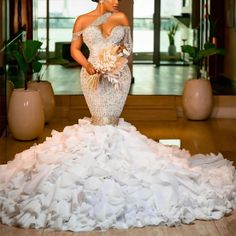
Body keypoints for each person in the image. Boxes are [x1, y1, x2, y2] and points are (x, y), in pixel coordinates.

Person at [0, 0, 235, 232]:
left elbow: (127, 47)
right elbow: (74, 48)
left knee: (110, 121)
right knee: (99, 119)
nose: (117, 1)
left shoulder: (121, 18)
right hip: (92, 76)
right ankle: (101, 168)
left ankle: (114, 164)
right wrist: (91, 66)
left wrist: (114, 61)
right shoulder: (83, 20)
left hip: (117, 76)